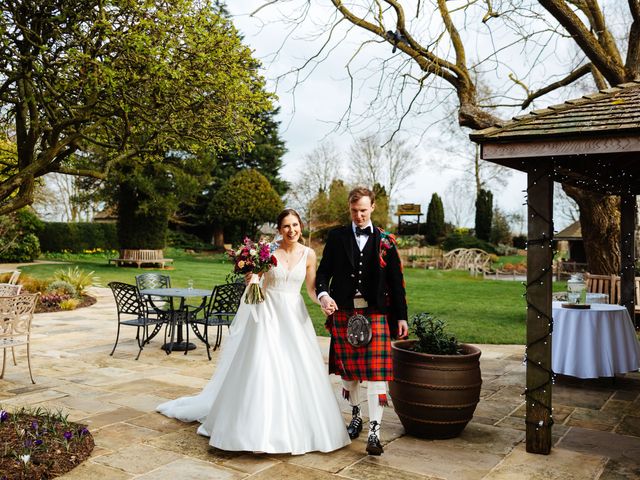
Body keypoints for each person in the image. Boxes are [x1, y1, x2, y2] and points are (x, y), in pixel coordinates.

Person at [157, 209, 350, 455]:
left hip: (294, 316)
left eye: (295, 225)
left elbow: (311, 289)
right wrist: (252, 280)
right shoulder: (267, 252)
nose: (292, 230)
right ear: (279, 229)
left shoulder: (309, 254)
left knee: (297, 368)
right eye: (286, 226)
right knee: (263, 367)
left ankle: (297, 429)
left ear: (301, 226)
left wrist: (323, 300)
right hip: (267, 315)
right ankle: (255, 433)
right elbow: (257, 282)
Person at [316, 186, 408, 456]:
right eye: (354, 211)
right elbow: (323, 273)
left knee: (378, 376)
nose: (358, 215)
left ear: (373, 208)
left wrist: (401, 316)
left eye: (363, 210)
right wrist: (323, 295)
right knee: (349, 374)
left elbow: (396, 283)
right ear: (349, 209)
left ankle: (375, 433)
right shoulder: (337, 237)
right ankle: (355, 416)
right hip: (344, 311)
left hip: (376, 313)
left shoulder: (386, 240)